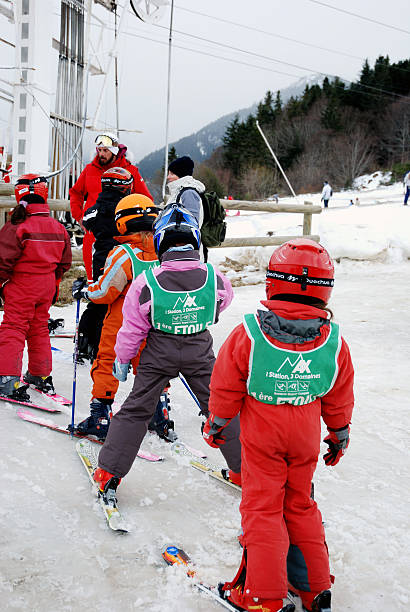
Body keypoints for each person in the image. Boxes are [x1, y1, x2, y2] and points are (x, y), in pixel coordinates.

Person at [202, 238, 354, 612]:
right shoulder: (333, 342)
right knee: (300, 505)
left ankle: (262, 595)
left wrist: (218, 423)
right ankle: (315, 589)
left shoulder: (250, 333)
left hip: (263, 438)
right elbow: (339, 392)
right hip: (304, 434)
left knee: (263, 509)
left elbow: (226, 383)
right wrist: (339, 433)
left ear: (274, 282)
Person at [92, 204, 241, 499]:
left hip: (158, 352)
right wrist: (200, 314)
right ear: (196, 241)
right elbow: (224, 299)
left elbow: (132, 328)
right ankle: (244, 470)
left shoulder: (147, 281)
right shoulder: (213, 275)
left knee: (136, 410)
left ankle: (108, 472)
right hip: (200, 350)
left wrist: (122, 359)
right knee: (220, 408)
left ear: (159, 242)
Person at [71, 194, 167, 440]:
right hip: (154, 321)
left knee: (108, 362)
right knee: (150, 365)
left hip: (122, 321)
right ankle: (159, 412)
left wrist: (85, 291)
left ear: (122, 222)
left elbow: (105, 291)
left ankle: (100, 416)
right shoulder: (162, 251)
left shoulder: (123, 254)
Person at [0, 174, 72, 398]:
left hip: (21, 284)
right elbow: (65, 262)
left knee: (13, 327)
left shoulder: (17, 226)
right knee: (38, 327)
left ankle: (7, 377)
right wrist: (51, 278)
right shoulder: (58, 227)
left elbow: (3, 260)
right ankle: (40, 375)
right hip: (46, 285)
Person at [69, 132, 153, 281]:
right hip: (94, 228)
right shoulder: (89, 170)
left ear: (114, 151)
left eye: (105, 150)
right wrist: (79, 216)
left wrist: (137, 223)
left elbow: (145, 198)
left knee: (120, 269)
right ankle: (94, 293)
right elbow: (76, 192)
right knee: (94, 270)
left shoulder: (130, 171)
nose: (101, 154)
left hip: (121, 230)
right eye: (99, 150)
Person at [76, 166, 133, 363]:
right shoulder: (126, 208)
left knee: (98, 300)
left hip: (101, 259)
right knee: (117, 302)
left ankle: (84, 343)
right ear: (123, 187)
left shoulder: (95, 208)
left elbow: (86, 220)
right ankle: (104, 344)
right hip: (123, 259)